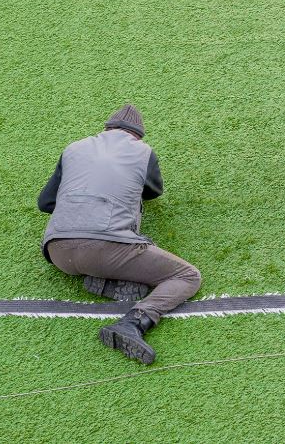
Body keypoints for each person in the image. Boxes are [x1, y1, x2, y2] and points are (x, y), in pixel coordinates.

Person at [38, 104, 201, 365]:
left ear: (106, 128)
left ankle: (106, 283)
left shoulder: (74, 147)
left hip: (57, 252)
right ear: (137, 135)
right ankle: (133, 323)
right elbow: (153, 192)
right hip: (109, 248)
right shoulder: (143, 152)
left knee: (97, 252)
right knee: (187, 276)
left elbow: (45, 203)